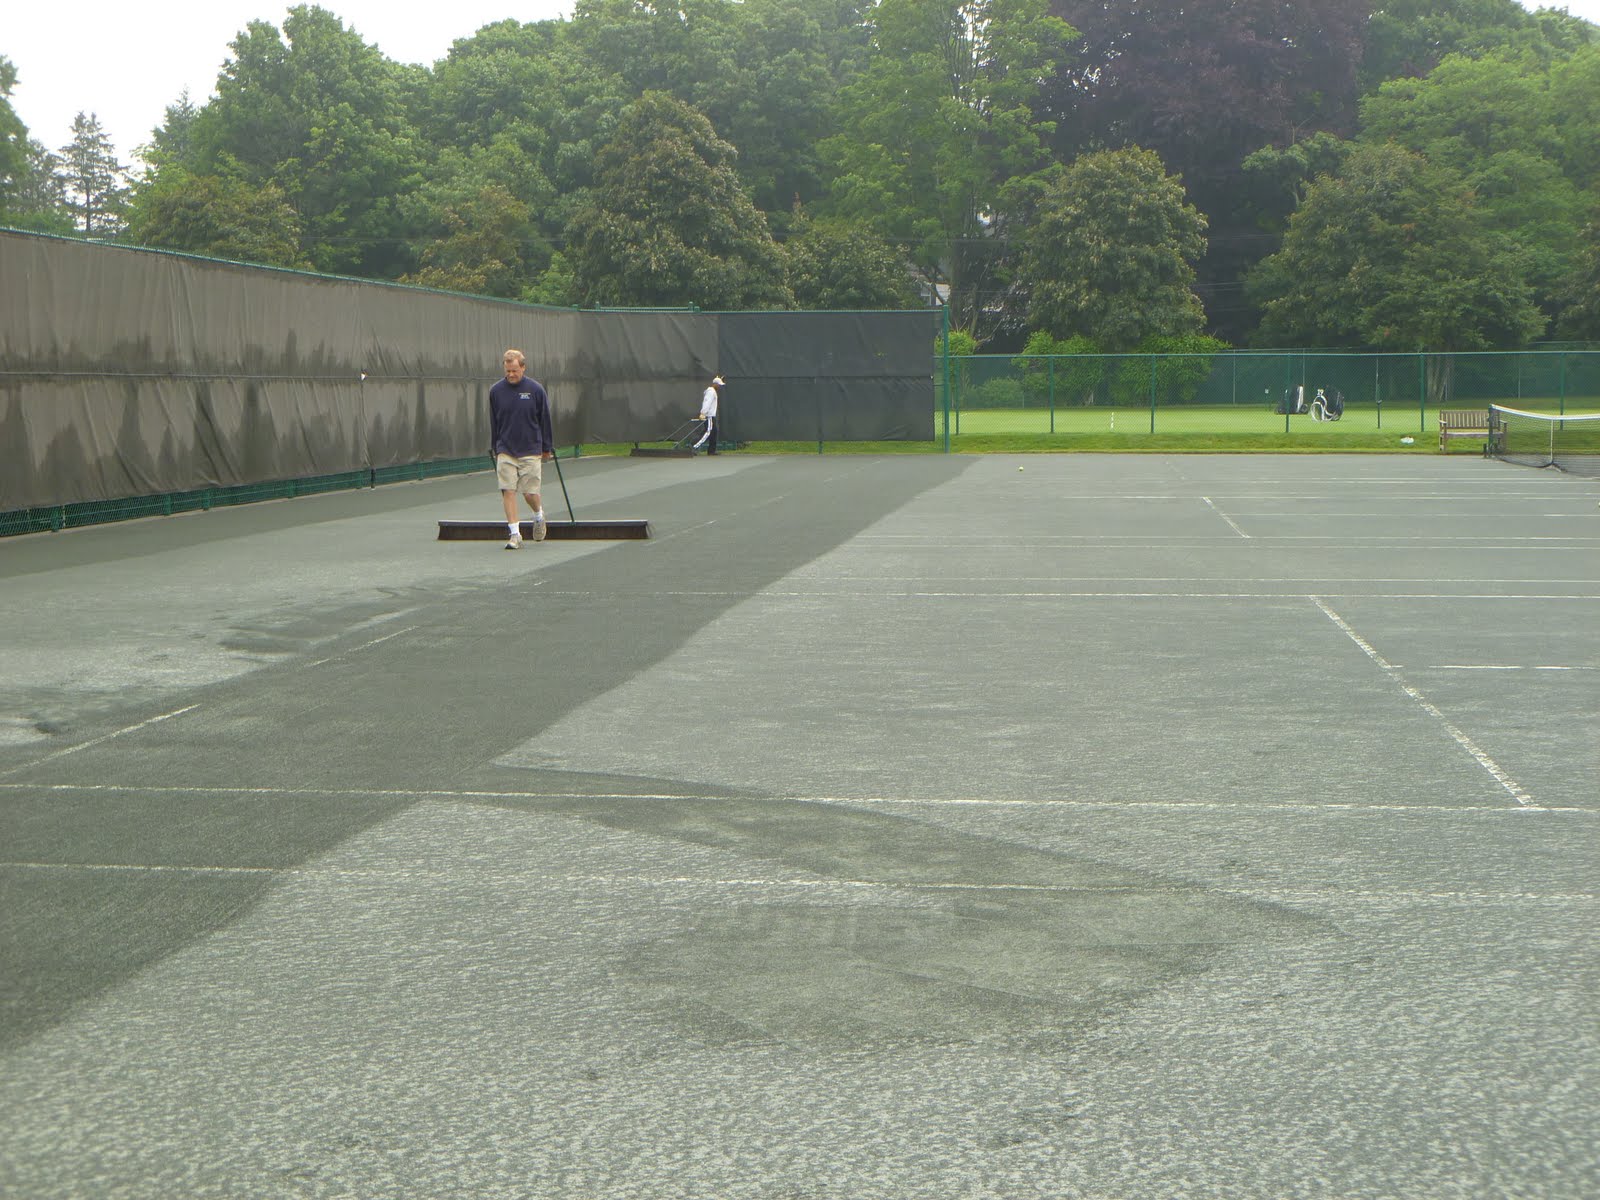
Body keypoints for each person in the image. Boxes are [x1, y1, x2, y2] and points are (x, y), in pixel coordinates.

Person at [489, 349, 554, 549]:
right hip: (506, 450)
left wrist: (546, 448)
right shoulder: (495, 391)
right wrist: (495, 446)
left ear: (523, 368)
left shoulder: (536, 390)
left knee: (529, 494)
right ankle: (515, 534)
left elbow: (545, 420)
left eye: (515, 370)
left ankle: (538, 514)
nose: (511, 374)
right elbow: (494, 421)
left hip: (531, 449)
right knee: (508, 490)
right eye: (508, 370)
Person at [693, 374, 724, 455]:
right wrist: (703, 413)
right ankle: (693, 447)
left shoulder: (713, 391)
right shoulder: (711, 392)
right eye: (719, 385)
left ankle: (711, 451)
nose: (720, 387)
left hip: (712, 416)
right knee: (708, 432)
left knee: (714, 432)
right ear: (715, 384)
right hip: (709, 416)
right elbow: (707, 402)